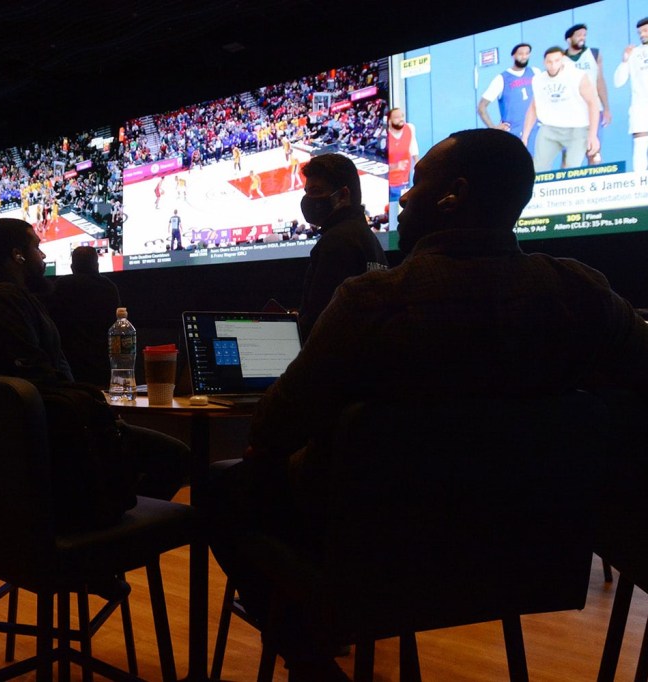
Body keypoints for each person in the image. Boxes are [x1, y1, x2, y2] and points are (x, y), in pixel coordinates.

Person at [209, 128, 648, 682]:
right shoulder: (584, 295)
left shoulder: (371, 302)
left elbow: (274, 426)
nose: (404, 197)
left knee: (224, 488)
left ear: (453, 194)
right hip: (529, 560)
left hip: (385, 556)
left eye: (416, 184)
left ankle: (311, 660)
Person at [0, 218, 188, 502]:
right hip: (57, 435)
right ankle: (115, 525)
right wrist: (93, 404)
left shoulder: (11, 298)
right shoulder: (3, 302)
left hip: (59, 427)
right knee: (175, 457)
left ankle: (118, 522)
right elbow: (36, 381)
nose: (43, 255)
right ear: (17, 255)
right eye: (36, 246)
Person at [295, 153, 387, 339]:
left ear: (343, 195)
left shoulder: (337, 241)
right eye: (307, 192)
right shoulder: (369, 239)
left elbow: (320, 322)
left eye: (315, 192)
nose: (308, 200)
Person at [44, 245, 121, 386]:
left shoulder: (62, 285)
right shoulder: (109, 287)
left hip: (71, 362)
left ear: (72, 267)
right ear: (96, 265)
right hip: (102, 361)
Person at [521, 46, 601, 171]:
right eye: (549, 62)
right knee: (538, 169)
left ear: (562, 60)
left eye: (556, 61)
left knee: (571, 169)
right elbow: (533, 108)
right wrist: (525, 136)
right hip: (550, 128)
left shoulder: (577, 76)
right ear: (544, 62)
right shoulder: (538, 80)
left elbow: (592, 103)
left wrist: (593, 134)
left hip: (577, 128)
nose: (553, 65)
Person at [477, 43, 541, 138]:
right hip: (514, 134)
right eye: (520, 53)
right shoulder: (501, 79)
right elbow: (481, 107)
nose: (524, 56)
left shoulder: (535, 72)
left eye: (527, 53)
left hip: (536, 130)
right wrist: (493, 128)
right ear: (513, 55)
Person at [613, 17, 648, 171]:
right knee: (640, 149)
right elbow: (618, 82)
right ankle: (640, 187)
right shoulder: (634, 53)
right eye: (640, 32)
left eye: (645, 31)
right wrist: (624, 60)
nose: (642, 35)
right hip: (641, 109)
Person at [565, 23, 611, 130]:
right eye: (579, 35)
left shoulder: (594, 54)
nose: (582, 38)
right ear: (569, 39)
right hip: (571, 111)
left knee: (594, 145)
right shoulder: (561, 59)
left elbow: (600, 81)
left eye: (584, 35)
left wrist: (606, 108)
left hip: (594, 109)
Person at [387, 107, 418, 203]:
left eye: (402, 116)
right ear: (389, 121)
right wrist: (396, 166)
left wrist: (418, 166)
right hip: (389, 183)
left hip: (404, 182)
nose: (401, 119)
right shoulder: (385, 137)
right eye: (397, 117)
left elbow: (413, 148)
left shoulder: (410, 128)